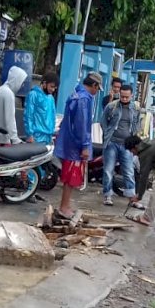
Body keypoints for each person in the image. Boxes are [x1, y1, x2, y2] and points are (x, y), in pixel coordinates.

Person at [54, 72, 102, 218]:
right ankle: (64, 206)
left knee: (69, 177)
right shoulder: (84, 99)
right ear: (94, 85)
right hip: (75, 145)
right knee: (71, 177)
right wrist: (85, 146)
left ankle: (66, 205)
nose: (96, 92)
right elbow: (82, 125)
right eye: (97, 88)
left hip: (69, 142)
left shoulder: (75, 95)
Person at [100, 85, 143, 207]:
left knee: (129, 171)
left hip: (127, 145)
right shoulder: (111, 106)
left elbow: (138, 123)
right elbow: (103, 121)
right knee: (108, 170)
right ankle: (108, 196)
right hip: (112, 143)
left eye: (126, 97)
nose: (124, 99)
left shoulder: (136, 108)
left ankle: (131, 198)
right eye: (122, 96)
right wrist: (107, 133)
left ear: (132, 96)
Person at [0, 66, 29, 158]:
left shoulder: (0, 90)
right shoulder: (8, 94)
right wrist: (15, 139)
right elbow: (10, 119)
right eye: (21, 82)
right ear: (16, 80)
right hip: (1, 139)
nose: (21, 85)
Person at [24, 71, 59, 145]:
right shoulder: (33, 95)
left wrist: (51, 133)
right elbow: (29, 115)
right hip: (36, 137)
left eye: (55, 88)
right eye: (51, 86)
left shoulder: (51, 98)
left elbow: (52, 116)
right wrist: (30, 134)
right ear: (44, 83)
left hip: (48, 137)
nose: (53, 90)